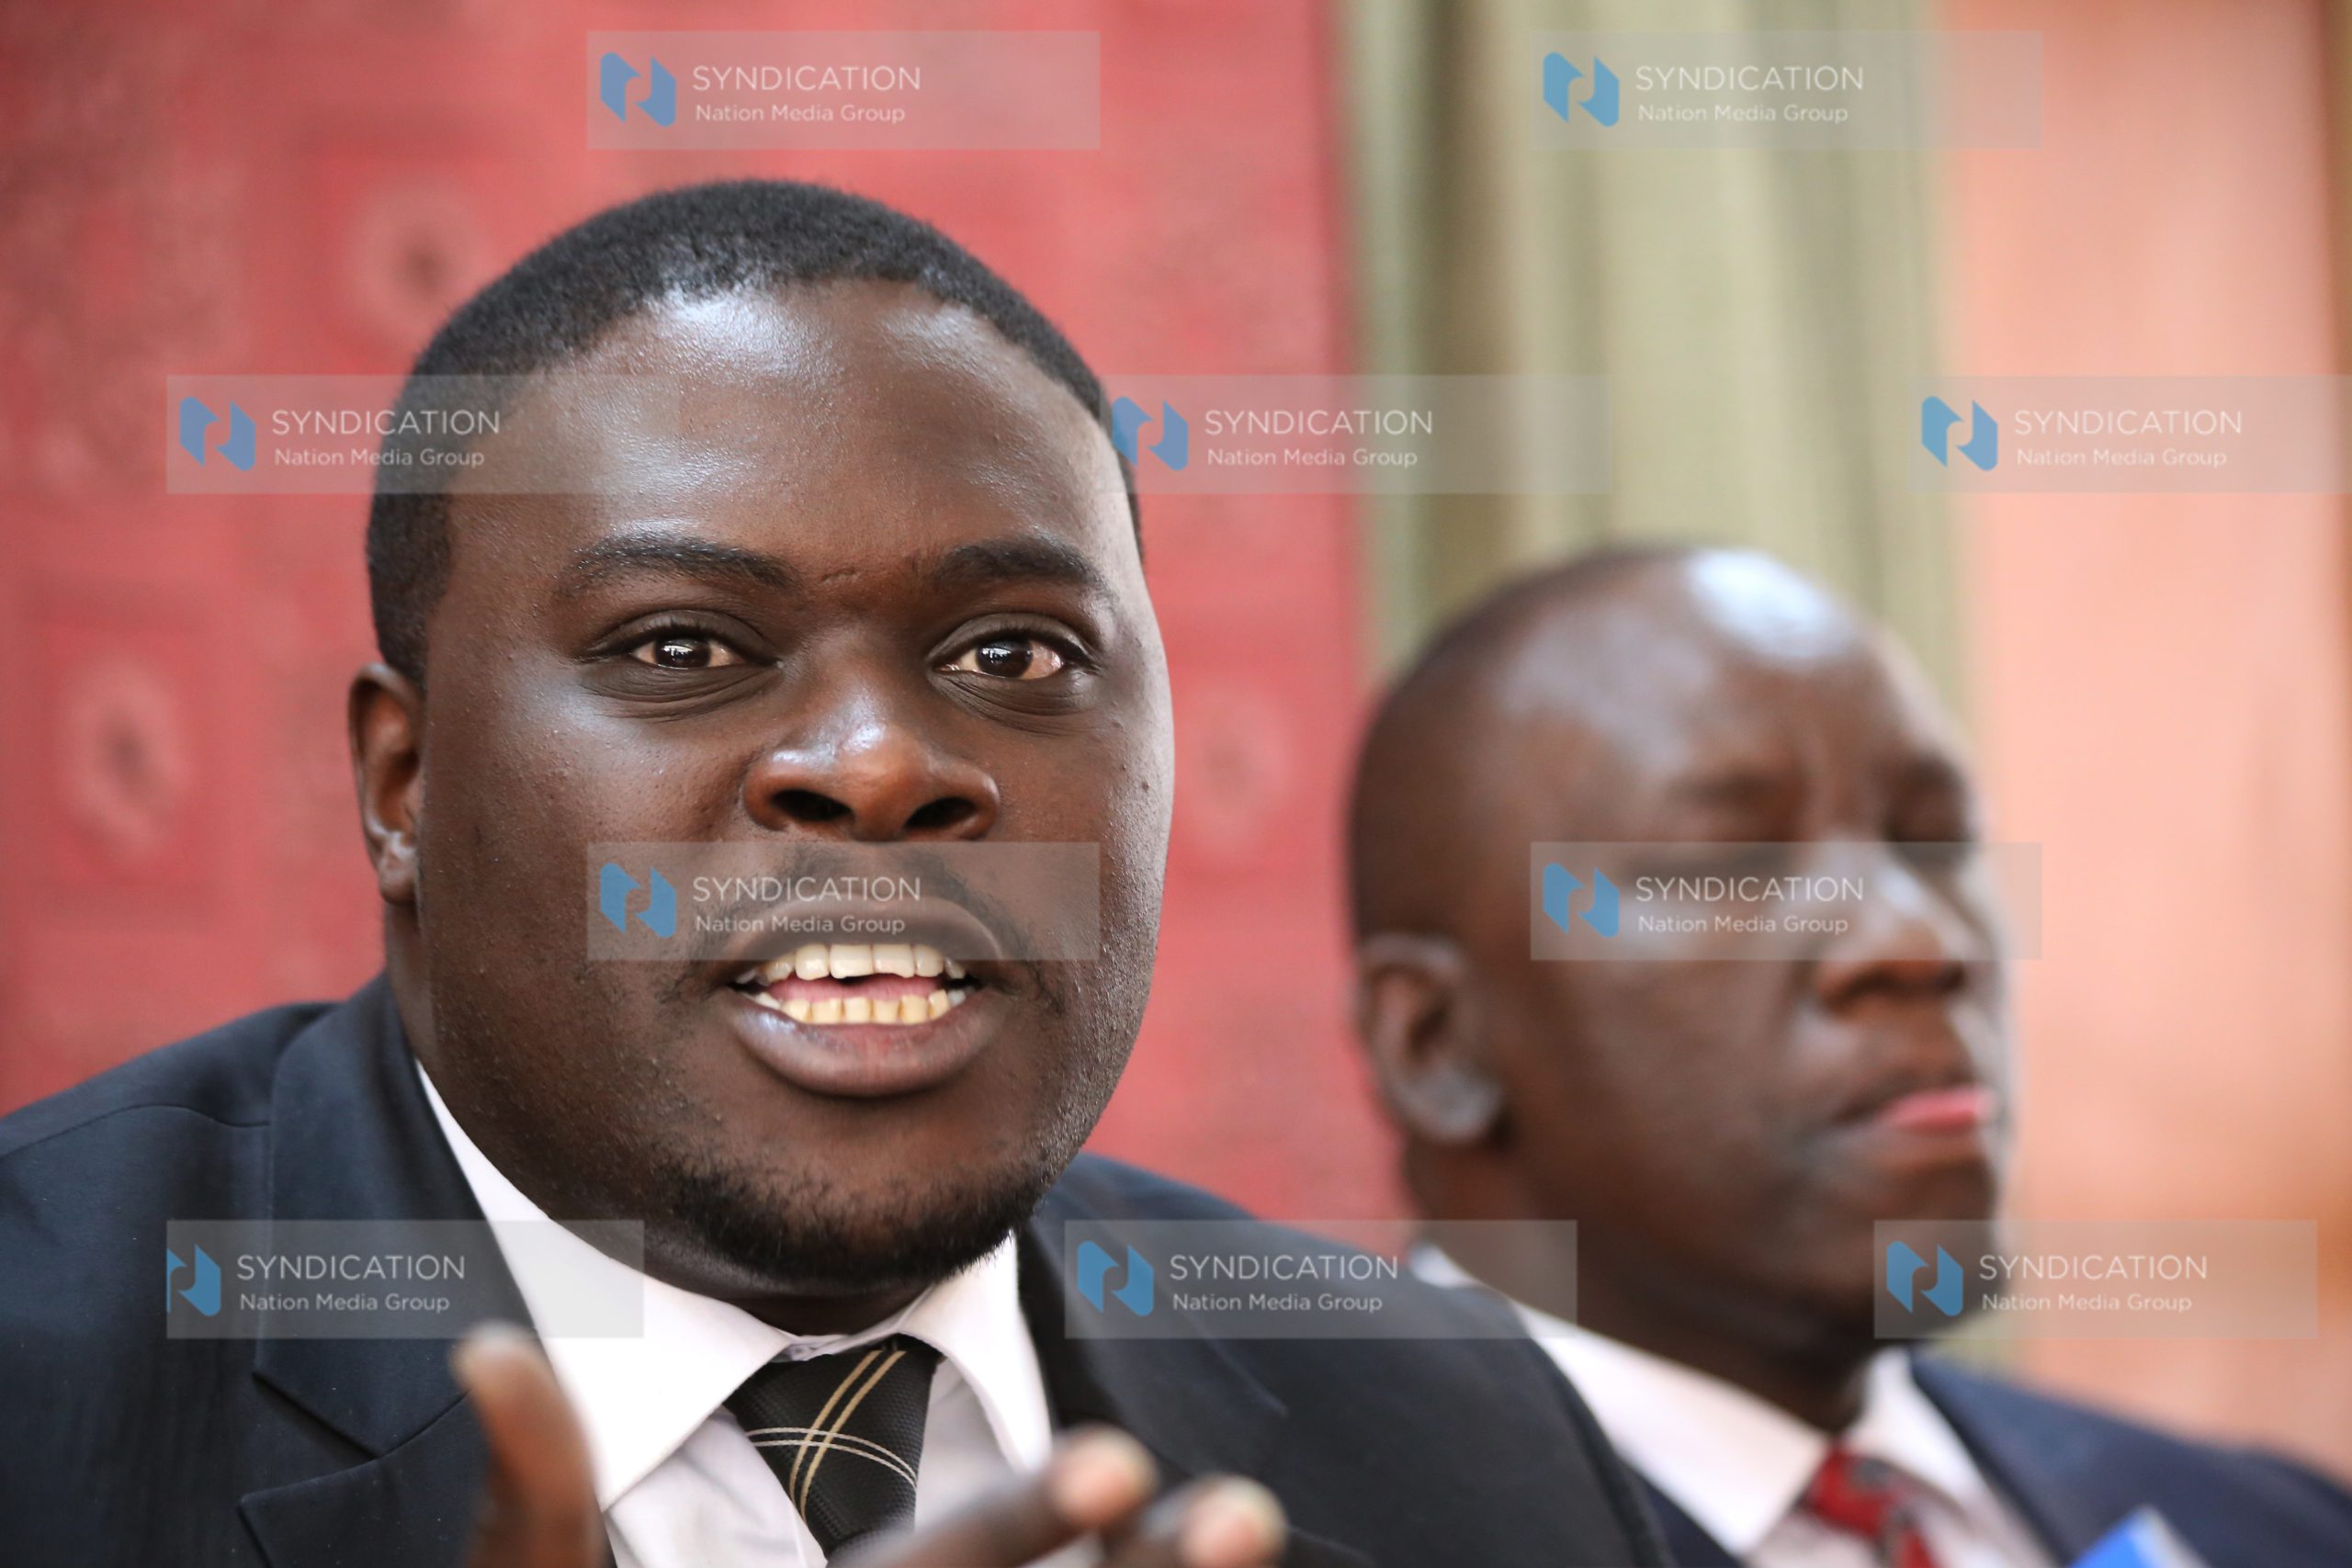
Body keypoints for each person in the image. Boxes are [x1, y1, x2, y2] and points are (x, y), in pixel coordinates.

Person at [0, 183, 1668, 1568]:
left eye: (1012, 651)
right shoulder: (45, 1386)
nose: (879, 764)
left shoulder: (1475, 1438)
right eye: (682, 644)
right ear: (404, 785)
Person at [1349, 545, 2352, 1567]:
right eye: (1733, 864)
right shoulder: (1303, 1536)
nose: (1918, 944)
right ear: (1439, 1047)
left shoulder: (2280, 1532)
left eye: (1935, 837)